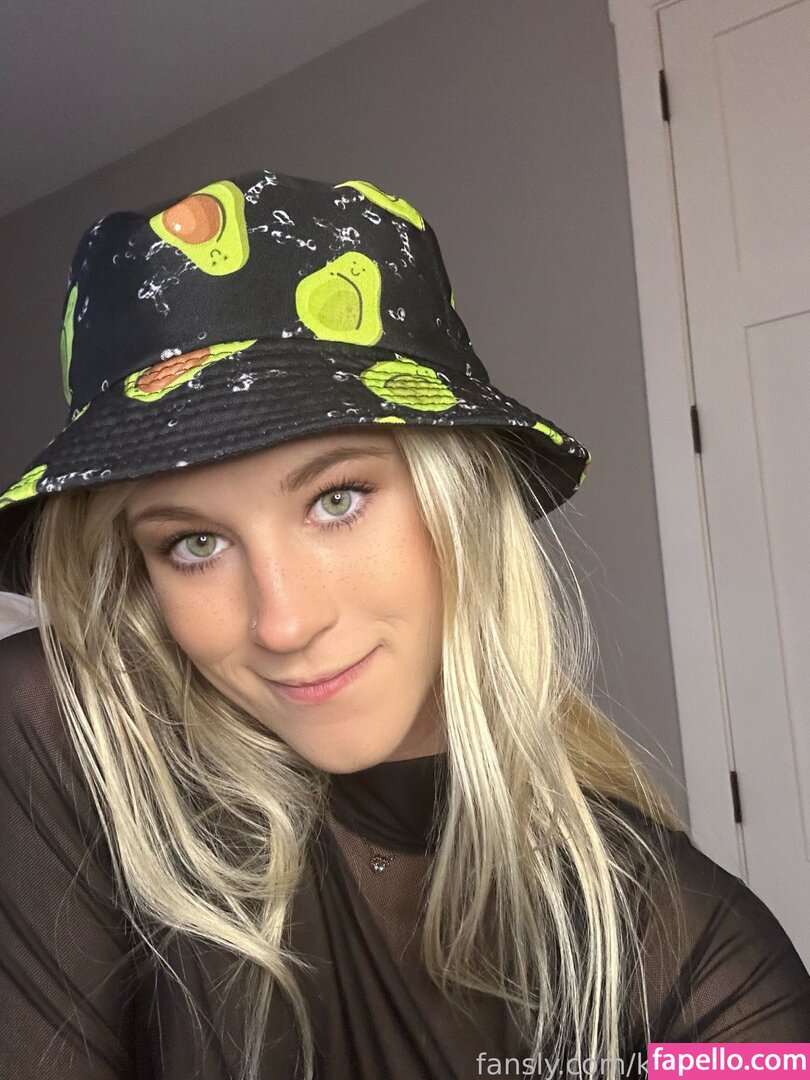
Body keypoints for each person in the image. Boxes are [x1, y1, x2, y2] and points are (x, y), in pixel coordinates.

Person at [0, 169, 807, 1080]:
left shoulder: (693, 954)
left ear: (458, 500)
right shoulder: (75, 743)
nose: (284, 622)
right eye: (194, 543)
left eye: (336, 498)